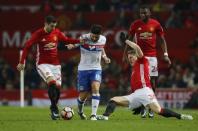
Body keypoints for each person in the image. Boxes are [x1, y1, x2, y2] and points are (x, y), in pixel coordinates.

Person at [96, 36, 193, 121]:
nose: (130, 59)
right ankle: (105, 116)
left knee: (159, 111)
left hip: (146, 91)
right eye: (129, 58)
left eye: (132, 57)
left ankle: (181, 116)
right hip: (136, 94)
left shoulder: (142, 61)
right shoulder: (134, 69)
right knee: (113, 100)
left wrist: (126, 41)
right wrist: (138, 104)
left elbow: (137, 48)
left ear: (137, 56)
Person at [16, 15, 83, 120]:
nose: (53, 28)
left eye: (54, 26)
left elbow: (66, 40)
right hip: (43, 64)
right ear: (46, 24)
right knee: (52, 83)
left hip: (56, 65)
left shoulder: (56, 32)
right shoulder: (38, 34)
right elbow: (27, 46)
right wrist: (21, 62)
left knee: (57, 88)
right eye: (51, 26)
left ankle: (53, 107)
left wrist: (78, 41)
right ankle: (54, 109)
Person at [124, 5, 171, 118]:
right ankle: (142, 107)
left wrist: (165, 55)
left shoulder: (156, 24)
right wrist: (124, 54)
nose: (142, 15)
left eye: (144, 13)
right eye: (141, 13)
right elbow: (129, 39)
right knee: (139, 82)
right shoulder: (135, 24)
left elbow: (162, 40)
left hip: (152, 57)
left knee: (152, 83)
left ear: (149, 13)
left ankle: (151, 106)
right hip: (139, 57)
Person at [66, 24, 111, 120]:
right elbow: (76, 43)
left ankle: (93, 115)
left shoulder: (103, 39)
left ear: (100, 35)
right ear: (90, 33)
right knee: (83, 96)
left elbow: (101, 48)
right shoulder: (84, 38)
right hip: (83, 69)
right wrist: (72, 45)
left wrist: (105, 57)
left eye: (96, 36)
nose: (94, 38)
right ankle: (80, 111)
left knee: (95, 88)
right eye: (93, 36)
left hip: (96, 68)